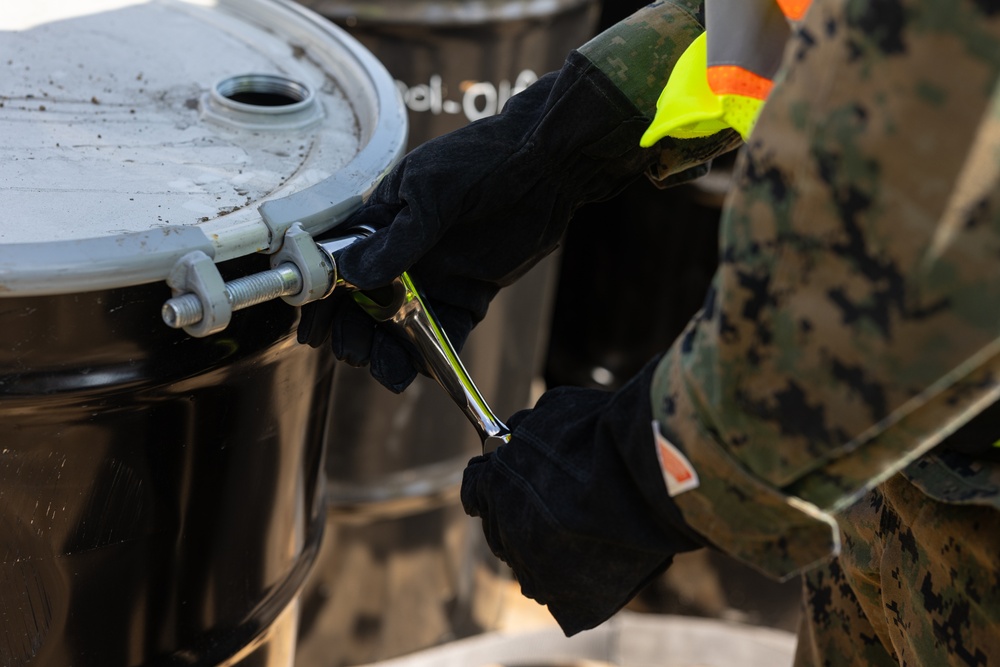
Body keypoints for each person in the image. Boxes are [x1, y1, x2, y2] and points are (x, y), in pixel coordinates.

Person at [299, 0, 1000, 663]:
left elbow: (950, 222)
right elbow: (802, 25)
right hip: (885, 466)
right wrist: (559, 140)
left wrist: (648, 466)